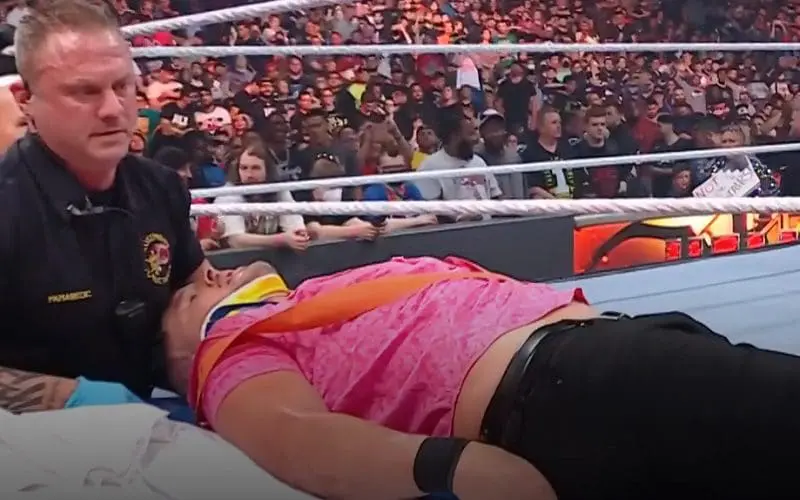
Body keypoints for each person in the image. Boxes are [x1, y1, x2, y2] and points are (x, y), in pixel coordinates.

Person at [161, 256, 800, 500]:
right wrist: (449, 468)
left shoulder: (304, 307)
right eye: (191, 295)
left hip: (606, 360)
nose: (209, 272)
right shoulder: (231, 353)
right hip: (570, 386)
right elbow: (294, 434)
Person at [0, 0, 216, 413]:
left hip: (156, 414)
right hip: (30, 441)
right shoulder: (8, 208)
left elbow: (199, 289)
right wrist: (66, 398)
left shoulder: (161, 186)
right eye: (84, 91)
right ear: (25, 99)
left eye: (122, 86)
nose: (113, 110)